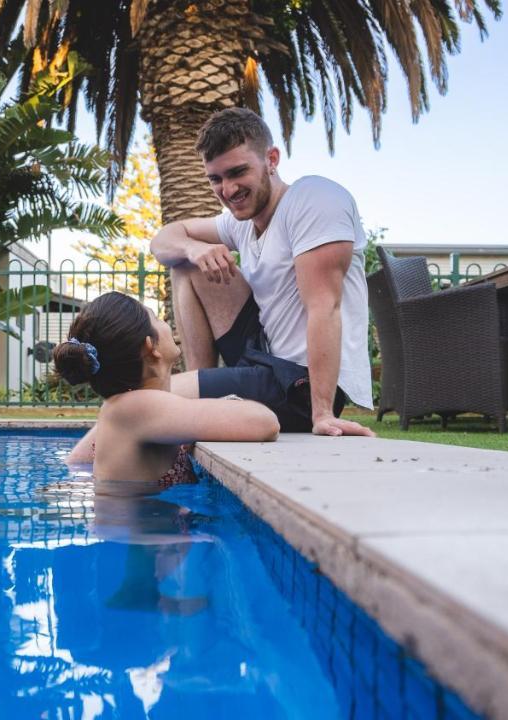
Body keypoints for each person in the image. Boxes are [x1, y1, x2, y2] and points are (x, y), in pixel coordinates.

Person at [150, 107, 375, 437]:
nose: (228, 190)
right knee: (185, 264)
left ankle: (198, 400)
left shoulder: (314, 200)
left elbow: (324, 307)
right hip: (260, 358)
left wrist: (322, 413)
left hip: (298, 382)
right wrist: (194, 249)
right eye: (216, 179)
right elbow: (163, 238)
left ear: (271, 159)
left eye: (238, 172)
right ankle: (201, 396)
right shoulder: (240, 224)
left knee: (148, 398)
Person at [53, 291, 279, 490]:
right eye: (157, 318)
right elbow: (265, 423)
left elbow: (76, 462)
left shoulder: (124, 408)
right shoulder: (135, 408)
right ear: (150, 346)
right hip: (137, 539)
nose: (166, 324)